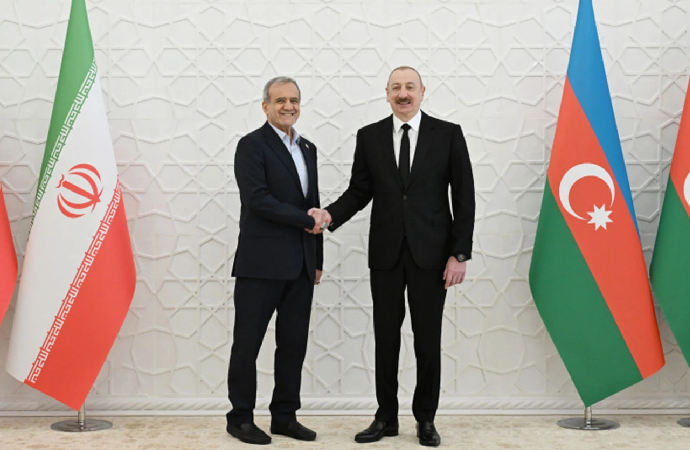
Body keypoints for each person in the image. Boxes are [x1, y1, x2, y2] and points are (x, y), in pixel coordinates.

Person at [314, 66, 475, 447]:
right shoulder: (369, 136)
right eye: (396, 88)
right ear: (387, 93)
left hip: (432, 257)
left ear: (422, 91)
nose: (403, 94)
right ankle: (385, 416)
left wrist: (459, 253)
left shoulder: (448, 134)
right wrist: (329, 215)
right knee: (386, 339)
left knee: (427, 341)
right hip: (385, 255)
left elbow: (463, 195)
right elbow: (359, 191)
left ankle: (426, 419)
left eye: (410, 87)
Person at [226, 76, 330, 445]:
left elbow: (313, 204)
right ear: (265, 106)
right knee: (247, 343)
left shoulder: (308, 148)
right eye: (280, 100)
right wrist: (305, 220)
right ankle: (240, 418)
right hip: (261, 264)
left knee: (293, 344)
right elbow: (257, 199)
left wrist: (317, 258)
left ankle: (285, 417)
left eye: (294, 100)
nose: (288, 106)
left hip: (301, 264)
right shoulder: (251, 145)